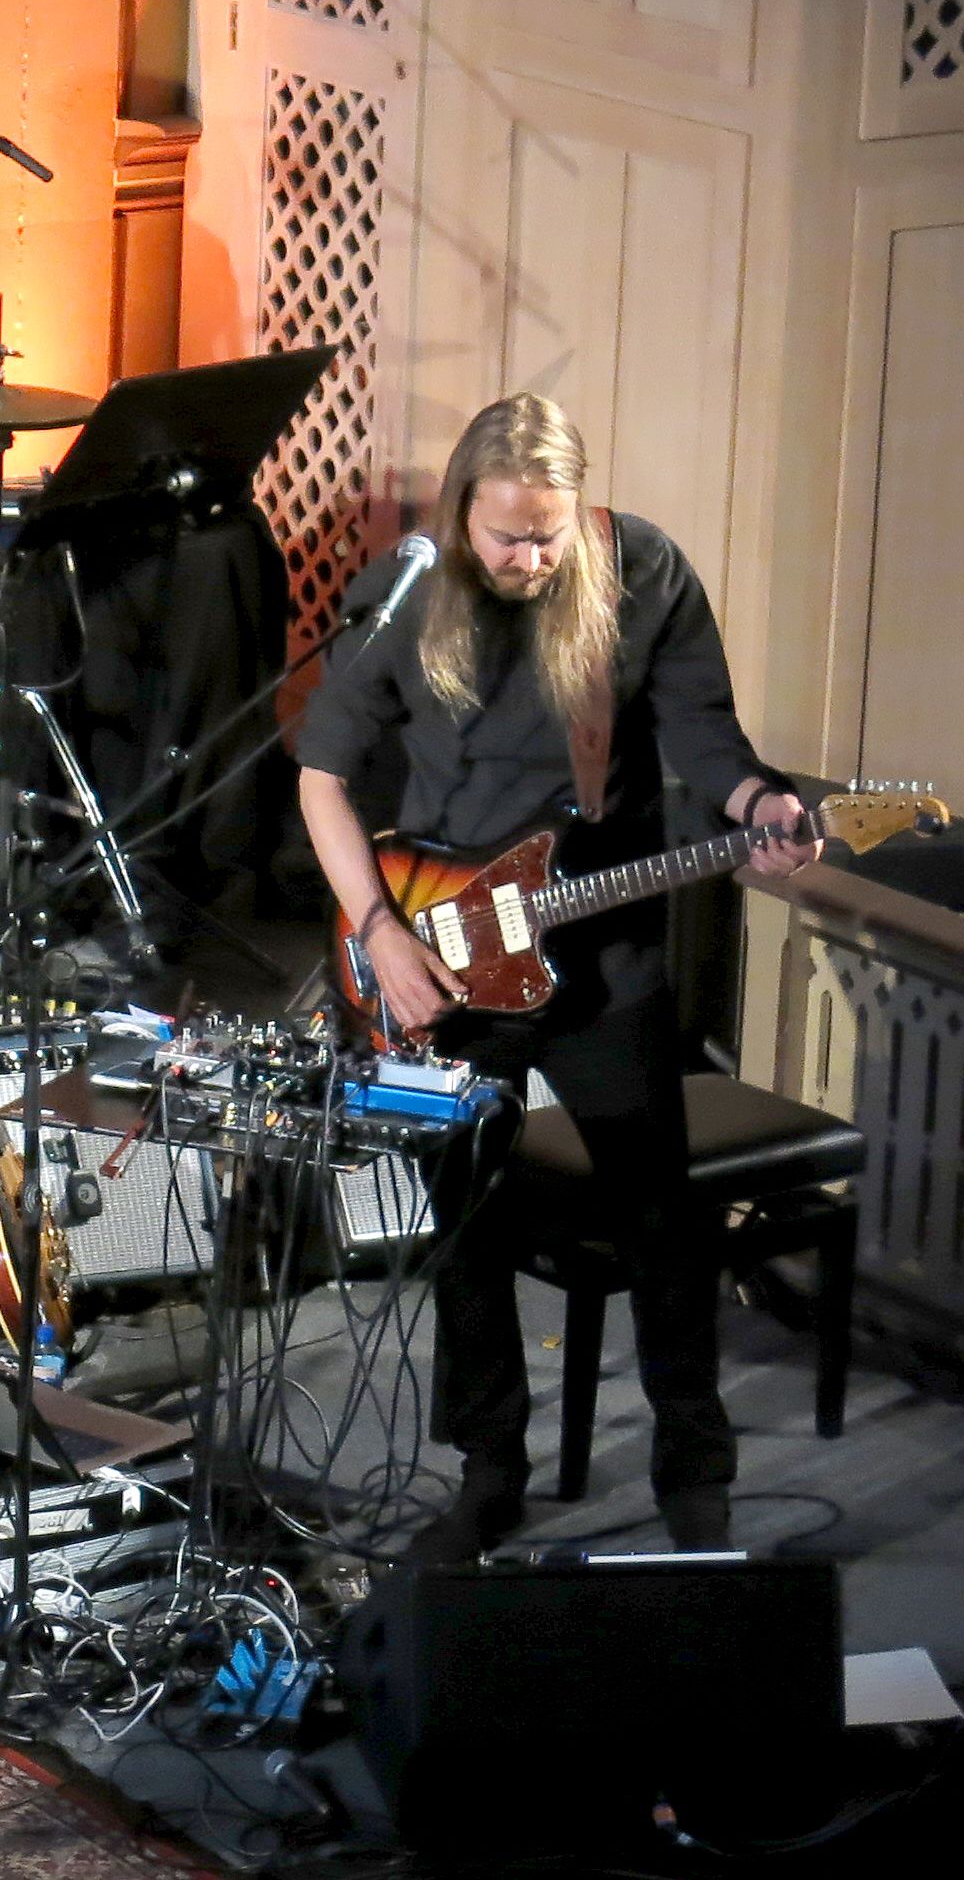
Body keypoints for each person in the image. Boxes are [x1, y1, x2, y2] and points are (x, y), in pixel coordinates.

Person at [294, 393, 817, 1561]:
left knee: (660, 1220)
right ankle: (489, 1473)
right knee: (466, 1227)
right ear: (460, 513)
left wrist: (757, 802)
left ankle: (696, 1480)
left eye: (550, 535)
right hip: (441, 952)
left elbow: (706, 736)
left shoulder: (641, 575)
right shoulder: (409, 595)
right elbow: (322, 775)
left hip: (602, 952)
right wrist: (379, 931)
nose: (532, 559)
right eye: (508, 537)